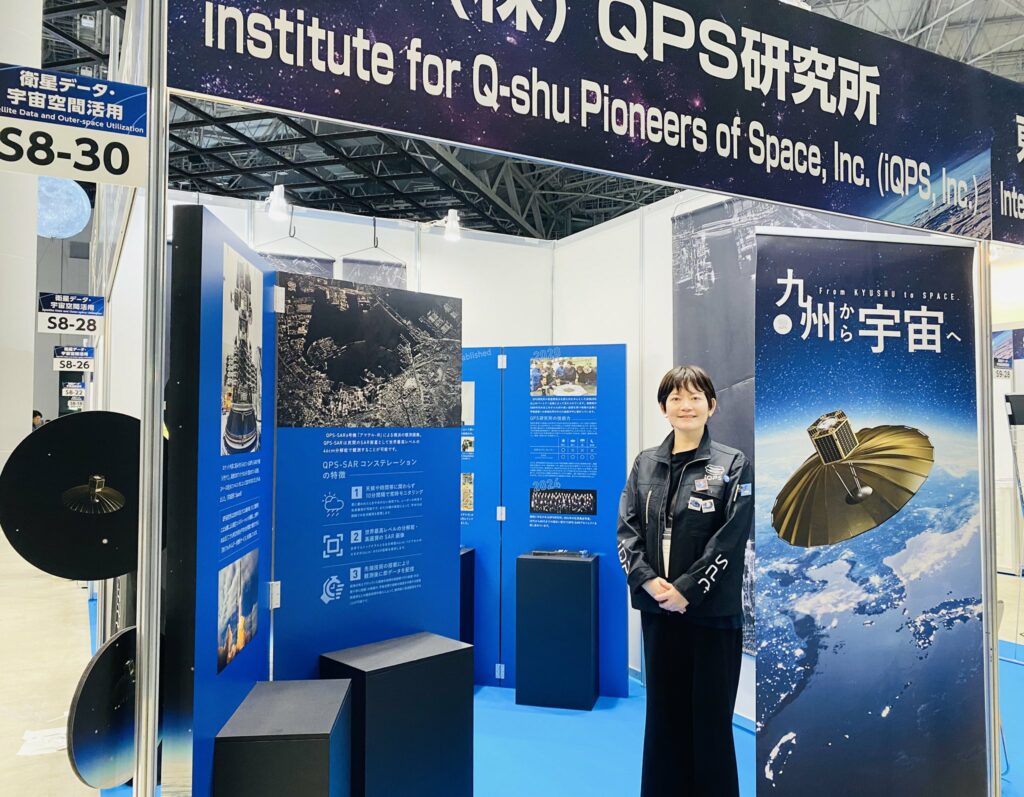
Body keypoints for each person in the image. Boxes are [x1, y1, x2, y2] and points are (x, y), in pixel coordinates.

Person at [617, 365, 753, 797]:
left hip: (712, 615)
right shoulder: (645, 464)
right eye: (676, 398)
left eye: (695, 397)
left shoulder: (733, 464)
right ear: (664, 407)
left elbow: (731, 537)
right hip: (659, 611)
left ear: (711, 405)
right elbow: (627, 530)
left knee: (710, 723)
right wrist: (648, 582)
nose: (685, 405)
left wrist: (688, 590)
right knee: (664, 720)